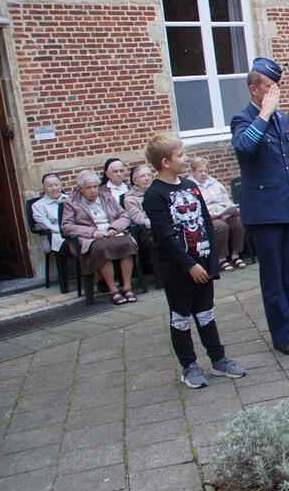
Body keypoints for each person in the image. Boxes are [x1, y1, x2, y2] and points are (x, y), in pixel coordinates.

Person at [230, 57, 289, 356]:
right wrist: (265, 114)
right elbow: (245, 147)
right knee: (273, 279)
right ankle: (282, 336)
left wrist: (272, 114)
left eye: (277, 86)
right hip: (263, 212)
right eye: (270, 86)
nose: (275, 91)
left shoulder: (282, 119)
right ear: (255, 89)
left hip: (287, 206)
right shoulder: (244, 119)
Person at [143, 132, 246, 388]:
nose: (185, 159)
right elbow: (165, 236)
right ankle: (188, 366)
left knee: (206, 313)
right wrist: (189, 266)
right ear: (165, 161)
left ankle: (218, 358)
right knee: (181, 317)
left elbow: (206, 226)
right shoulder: (155, 195)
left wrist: (210, 261)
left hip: (202, 264)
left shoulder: (190, 187)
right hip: (178, 269)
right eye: (180, 155)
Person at [61, 169, 138, 305]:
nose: (93, 190)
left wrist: (114, 227)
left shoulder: (106, 197)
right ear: (80, 189)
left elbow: (124, 216)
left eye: (95, 186)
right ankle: (113, 291)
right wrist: (90, 232)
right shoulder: (71, 202)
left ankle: (127, 288)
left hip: (111, 232)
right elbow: (66, 226)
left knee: (127, 243)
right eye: (88, 187)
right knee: (102, 248)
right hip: (92, 238)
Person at [189, 157, 246, 272]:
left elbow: (226, 200)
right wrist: (210, 214)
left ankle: (235, 255)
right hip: (208, 217)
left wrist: (232, 209)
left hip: (223, 213)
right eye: (200, 171)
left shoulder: (215, 183)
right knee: (221, 227)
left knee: (239, 223)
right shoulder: (190, 186)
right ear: (193, 171)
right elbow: (194, 207)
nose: (204, 174)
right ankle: (221, 259)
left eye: (206, 171)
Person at [32, 173, 69, 253]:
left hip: (76, 233)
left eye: (56, 184)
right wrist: (70, 229)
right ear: (44, 188)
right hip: (57, 237)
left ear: (61, 185)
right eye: (49, 186)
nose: (54, 188)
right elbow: (49, 226)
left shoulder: (70, 199)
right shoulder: (38, 206)